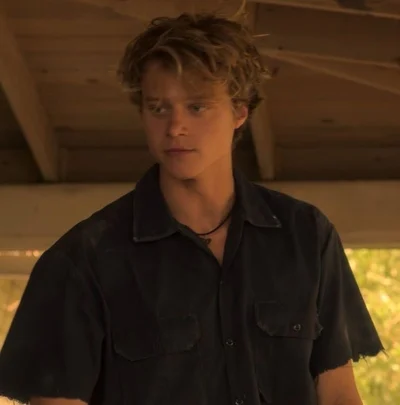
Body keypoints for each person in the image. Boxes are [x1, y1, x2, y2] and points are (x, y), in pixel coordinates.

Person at [0, 10, 383, 405]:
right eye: (158, 108)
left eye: (197, 107)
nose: (175, 127)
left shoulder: (306, 236)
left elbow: (339, 395)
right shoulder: (83, 260)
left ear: (239, 111)